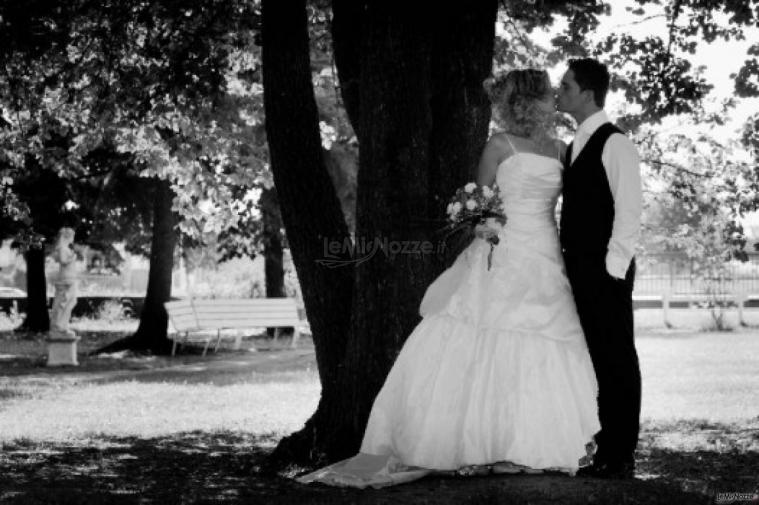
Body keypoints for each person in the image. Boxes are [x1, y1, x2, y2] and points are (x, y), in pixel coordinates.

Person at [295, 69, 600, 489]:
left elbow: (579, 205)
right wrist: (481, 225)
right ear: (531, 101)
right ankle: (474, 444)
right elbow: (480, 200)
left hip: (546, 254)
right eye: (548, 95)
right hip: (503, 250)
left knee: (542, 340)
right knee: (480, 337)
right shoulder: (498, 144)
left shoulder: (562, 151)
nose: (553, 101)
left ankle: (527, 444)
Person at [556, 58, 642, 479]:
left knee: (617, 359)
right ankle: (606, 448)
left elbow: (629, 212)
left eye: (566, 86)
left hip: (605, 270)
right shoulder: (574, 144)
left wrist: (612, 271)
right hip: (577, 267)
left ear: (587, 93)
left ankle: (621, 453)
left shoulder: (615, 142)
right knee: (597, 359)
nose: (560, 92)